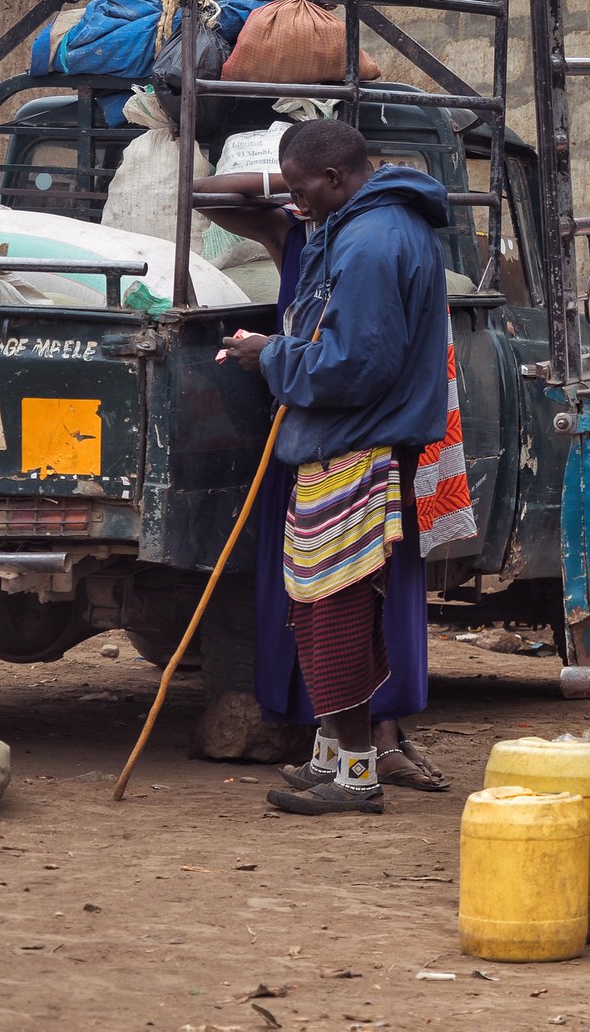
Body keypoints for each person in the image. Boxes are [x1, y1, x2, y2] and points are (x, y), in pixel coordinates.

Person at [220, 118, 451, 816]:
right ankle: (334, 755)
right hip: (347, 444)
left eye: (301, 189)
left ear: (335, 177)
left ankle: (356, 774)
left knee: (337, 614)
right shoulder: (360, 226)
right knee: (319, 610)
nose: (297, 204)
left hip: (359, 446)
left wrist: (271, 356)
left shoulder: (375, 242)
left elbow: (357, 363)